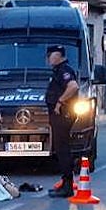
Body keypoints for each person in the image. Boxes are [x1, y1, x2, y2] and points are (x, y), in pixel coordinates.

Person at [45, 44, 79, 198]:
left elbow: (73, 86)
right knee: (61, 148)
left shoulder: (64, 70)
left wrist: (60, 102)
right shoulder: (58, 70)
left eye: (51, 55)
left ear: (59, 55)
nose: (48, 58)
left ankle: (67, 186)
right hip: (60, 115)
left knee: (62, 149)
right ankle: (65, 183)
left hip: (63, 114)